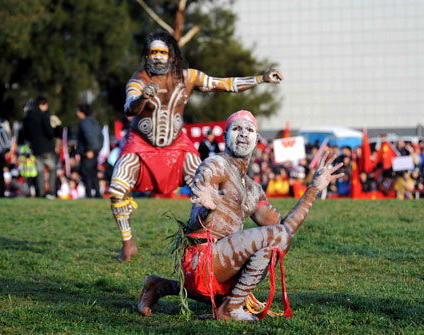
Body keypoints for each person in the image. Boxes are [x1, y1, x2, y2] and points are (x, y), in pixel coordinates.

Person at [137, 110, 344, 321]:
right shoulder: (215, 164)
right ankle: (230, 308)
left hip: (221, 268)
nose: (243, 134)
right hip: (201, 260)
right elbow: (194, 221)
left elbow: (284, 231)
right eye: (237, 129)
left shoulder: (253, 190)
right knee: (276, 238)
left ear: (256, 140)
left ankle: (160, 286)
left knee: (271, 249)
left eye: (249, 130)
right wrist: (206, 208)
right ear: (225, 135)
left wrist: (313, 188)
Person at [111, 31, 283, 261]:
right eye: (154, 52)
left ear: (172, 56)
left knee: (210, 190)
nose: (159, 57)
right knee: (116, 188)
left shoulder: (187, 77)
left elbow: (224, 84)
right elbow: (130, 108)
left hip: (178, 148)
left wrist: (260, 79)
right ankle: (127, 243)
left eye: (163, 52)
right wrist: (143, 97)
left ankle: (211, 241)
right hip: (142, 146)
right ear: (147, 55)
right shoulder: (139, 79)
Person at [23, 96, 57, 198]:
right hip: (46, 147)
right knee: (52, 169)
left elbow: (26, 134)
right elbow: (49, 131)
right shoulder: (43, 115)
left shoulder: (28, 117)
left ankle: (41, 192)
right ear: (41, 104)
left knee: (40, 170)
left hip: (35, 147)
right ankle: (51, 191)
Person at [76, 104, 103, 198]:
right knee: (94, 174)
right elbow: (101, 136)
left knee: (87, 174)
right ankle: (97, 193)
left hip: (88, 152)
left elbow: (88, 136)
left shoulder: (84, 123)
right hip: (95, 151)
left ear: (82, 112)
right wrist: (98, 149)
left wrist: (90, 150)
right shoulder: (94, 122)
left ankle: (89, 194)